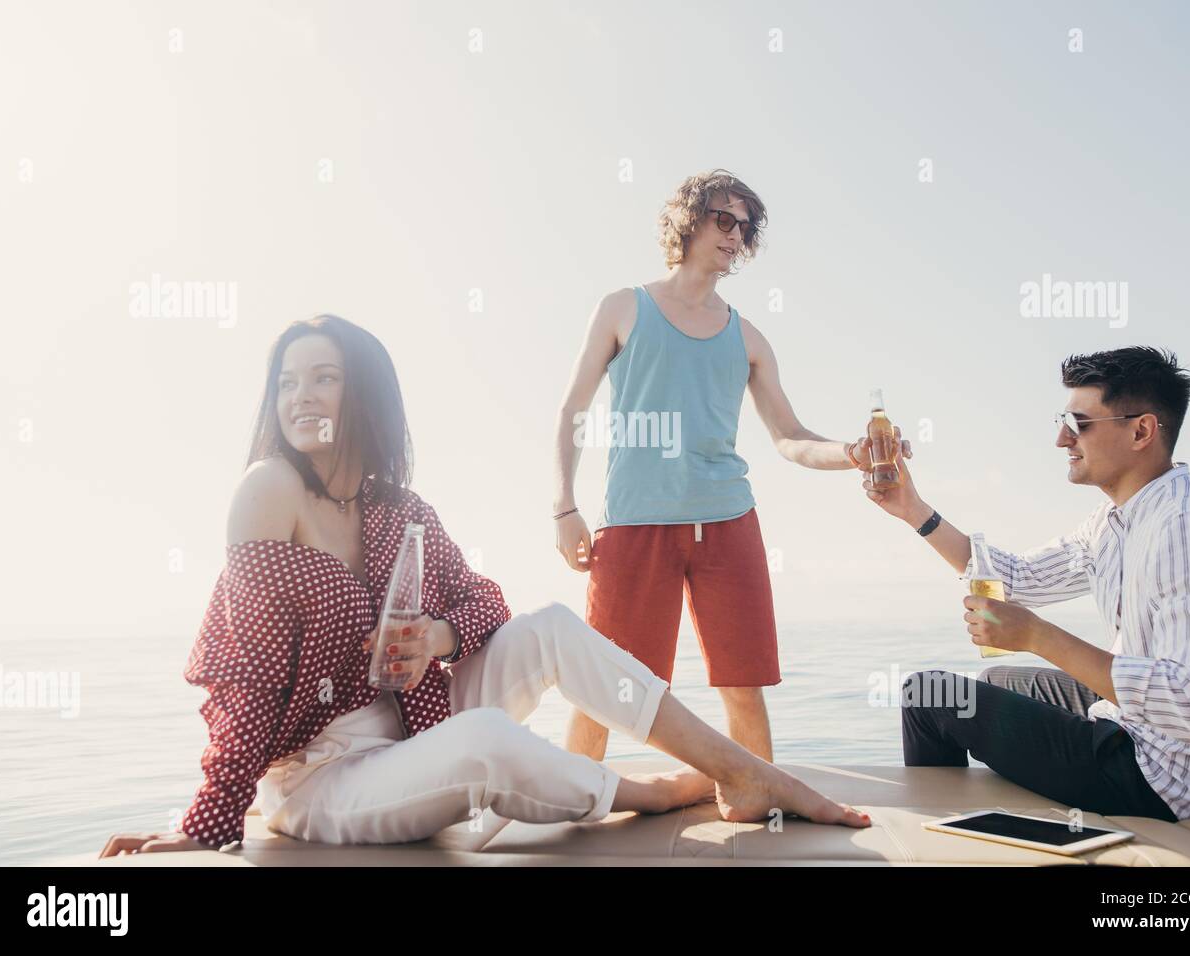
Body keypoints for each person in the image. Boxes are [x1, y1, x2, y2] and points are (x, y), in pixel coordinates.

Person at [100, 315, 870, 857]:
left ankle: (742, 771)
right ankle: (661, 791)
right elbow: (253, 672)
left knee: (550, 626)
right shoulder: (268, 490)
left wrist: (438, 637)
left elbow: (486, 604)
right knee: (485, 742)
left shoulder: (400, 510)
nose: (300, 396)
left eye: (324, 378)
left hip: (413, 727)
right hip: (321, 776)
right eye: (287, 381)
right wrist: (209, 820)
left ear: (362, 392)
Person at [554, 169, 907, 762]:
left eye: (745, 227)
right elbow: (572, 409)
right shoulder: (622, 308)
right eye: (724, 219)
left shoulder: (750, 339)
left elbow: (791, 438)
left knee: (743, 686)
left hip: (728, 524)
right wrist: (564, 506)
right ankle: (567, 804)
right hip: (635, 524)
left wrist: (851, 453)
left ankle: (756, 804)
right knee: (604, 690)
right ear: (688, 220)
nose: (735, 235)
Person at [861, 347, 1190, 820]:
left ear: (1141, 430)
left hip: (1173, 780)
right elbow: (1015, 578)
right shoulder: (1118, 520)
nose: (1061, 438)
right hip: (1146, 732)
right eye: (1063, 420)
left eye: (1079, 423)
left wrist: (1037, 636)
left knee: (928, 694)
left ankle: (935, 843)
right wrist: (912, 507)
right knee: (996, 680)